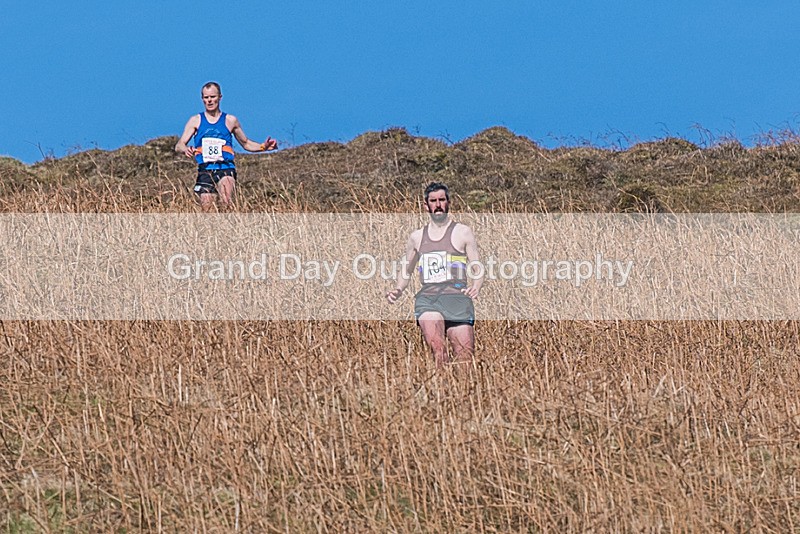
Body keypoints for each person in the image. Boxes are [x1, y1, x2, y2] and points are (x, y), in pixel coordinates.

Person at [386, 182, 483, 366]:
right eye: (433, 201)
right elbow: (406, 270)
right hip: (429, 299)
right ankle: (441, 393)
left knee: (465, 361)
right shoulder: (416, 237)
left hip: (457, 299)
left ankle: (463, 393)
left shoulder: (463, 232)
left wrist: (476, 286)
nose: (437, 204)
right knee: (439, 352)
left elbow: (478, 267)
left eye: (441, 200)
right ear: (426, 205)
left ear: (448, 202)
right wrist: (398, 289)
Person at [175, 82, 278, 209]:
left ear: (220, 97)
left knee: (226, 201)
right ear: (202, 99)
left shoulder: (230, 120)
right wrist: (186, 149)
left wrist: (263, 147)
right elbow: (179, 145)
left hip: (226, 168)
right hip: (205, 169)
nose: (209, 100)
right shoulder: (195, 120)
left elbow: (245, 143)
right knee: (207, 209)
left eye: (212, 97)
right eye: (206, 98)